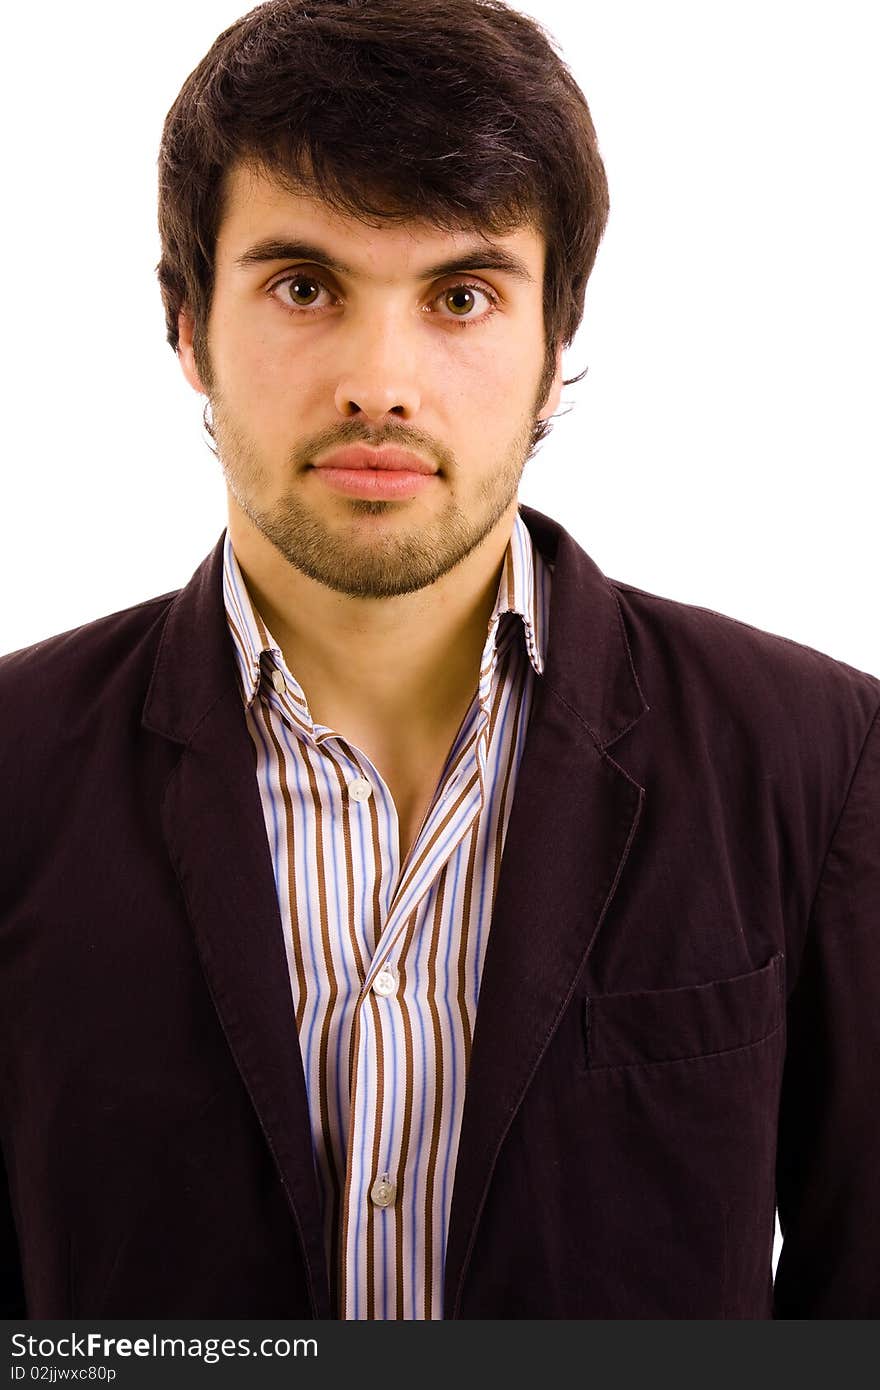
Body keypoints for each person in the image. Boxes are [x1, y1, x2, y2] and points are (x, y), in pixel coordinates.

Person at [0, 0, 877, 1322]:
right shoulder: (13, 770)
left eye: (461, 295)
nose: (379, 379)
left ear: (552, 339)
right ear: (187, 324)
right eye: (306, 287)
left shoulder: (815, 754)